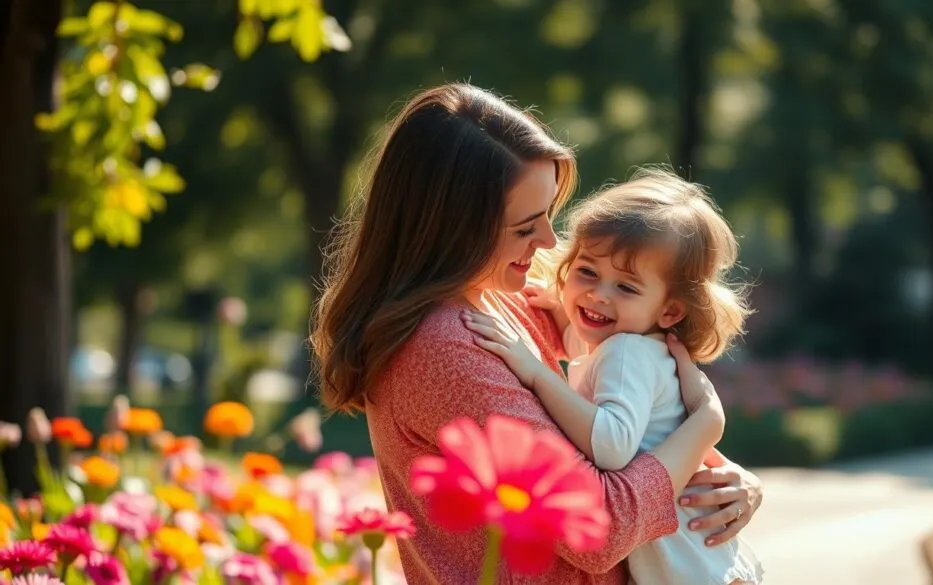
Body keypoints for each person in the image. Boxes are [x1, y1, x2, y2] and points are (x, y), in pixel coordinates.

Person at [310, 83, 764, 584]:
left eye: (548, 214)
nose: (550, 241)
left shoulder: (501, 296)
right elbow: (600, 528)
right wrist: (707, 422)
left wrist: (730, 480)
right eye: (526, 228)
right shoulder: (445, 348)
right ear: (453, 229)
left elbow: (643, 410)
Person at [464, 167, 764, 584]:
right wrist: (560, 307)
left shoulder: (626, 353)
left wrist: (534, 372)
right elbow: (584, 353)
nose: (598, 295)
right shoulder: (631, 344)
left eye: (626, 287)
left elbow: (611, 446)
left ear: (670, 311)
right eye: (587, 272)